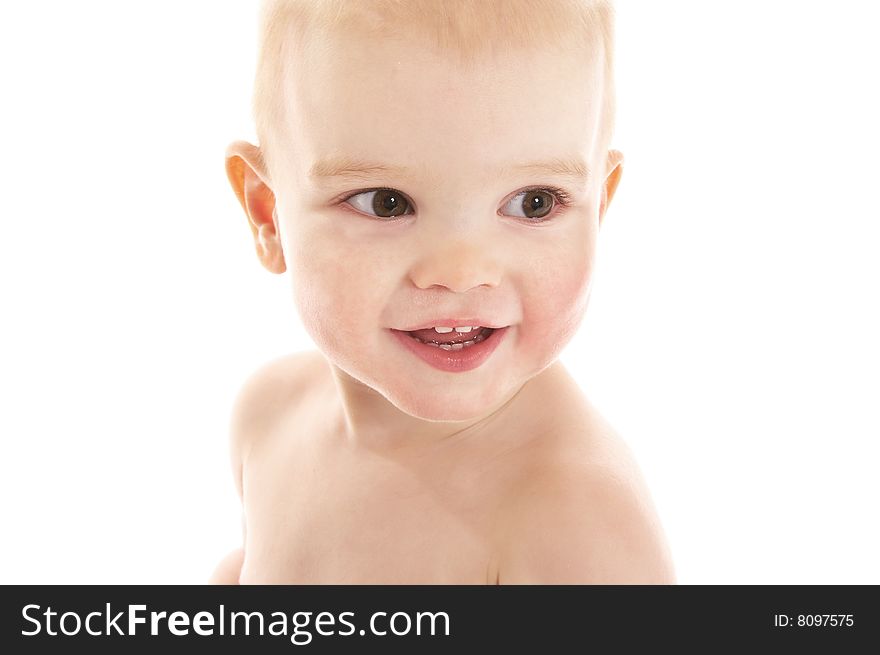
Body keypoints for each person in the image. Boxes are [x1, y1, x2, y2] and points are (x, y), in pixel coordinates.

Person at [210, 0, 675, 584]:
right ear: (268, 215)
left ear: (598, 209)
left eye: (534, 202)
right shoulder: (269, 418)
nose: (460, 272)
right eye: (386, 202)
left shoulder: (576, 522)